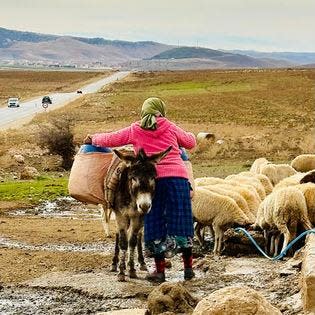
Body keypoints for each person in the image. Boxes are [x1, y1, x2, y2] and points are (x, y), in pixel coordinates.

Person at [84, 97, 196, 283]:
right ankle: (188, 270)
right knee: (183, 222)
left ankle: (159, 272)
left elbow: (112, 138)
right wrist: (188, 136)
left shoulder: (136, 129)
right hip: (178, 180)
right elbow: (191, 142)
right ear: (161, 111)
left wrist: (93, 138)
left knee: (156, 223)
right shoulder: (170, 126)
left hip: (151, 181)